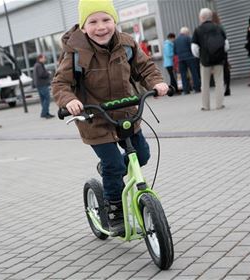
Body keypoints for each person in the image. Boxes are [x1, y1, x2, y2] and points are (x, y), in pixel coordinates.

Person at [52, 0, 169, 237]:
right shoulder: (75, 52)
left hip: (127, 114)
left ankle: (109, 171)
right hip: (95, 119)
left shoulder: (126, 44)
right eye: (93, 22)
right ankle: (114, 211)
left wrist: (156, 83)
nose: (101, 27)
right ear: (84, 27)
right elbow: (61, 83)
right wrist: (69, 101)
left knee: (143, 155)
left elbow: (144, 68)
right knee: (114, 165)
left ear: (114, 21)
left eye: (106, 20)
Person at [192, 8, 229, 111]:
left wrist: (200, 56)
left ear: (202, 17)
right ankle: (219, 104)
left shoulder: (198, 30)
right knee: (219, 82)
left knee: (205, 84)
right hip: (218, 60)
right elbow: (226, 45)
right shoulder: (219, 28)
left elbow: (194, 48)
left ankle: (206, 106)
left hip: (205, 61)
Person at [174, 27, 201, 94]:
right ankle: (197, 88)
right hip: (190, 58)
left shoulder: (176, 40)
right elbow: (192, 47)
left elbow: (174, 51)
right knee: (194, 73)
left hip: (181, 59)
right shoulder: (188, 38)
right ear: (186, 32)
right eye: (188, 33)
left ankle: (186, 90)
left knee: (183, 75)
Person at [213, 12, 231, 96]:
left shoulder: (210, 28)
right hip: (223, 51)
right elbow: (225, 39)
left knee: (218, 70)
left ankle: (220, 88)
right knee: (226, 69)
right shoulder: (221, 27)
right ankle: (227, 87)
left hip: (214, 52)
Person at [33, 54, 54, 119]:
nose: (45, 59)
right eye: (44, 58)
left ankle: (46, 113)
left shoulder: (37, 65)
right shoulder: (39, 65)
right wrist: (48, 73)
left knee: (43, 100)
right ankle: (44, 113)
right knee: (47, 99)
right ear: (40, 58)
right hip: (42, 84)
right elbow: (41, 74)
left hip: (39, 84)